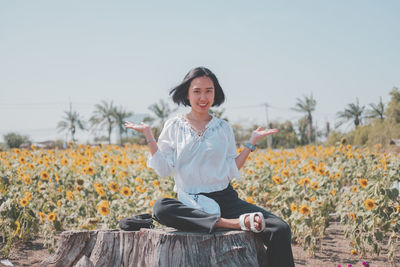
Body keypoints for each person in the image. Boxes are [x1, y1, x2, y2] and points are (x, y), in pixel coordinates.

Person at [125, 67, 295, 267]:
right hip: (191, 202)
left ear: (215, 93)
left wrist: (251, 143)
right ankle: (231, 224)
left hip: (227, 200)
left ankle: (227, 221)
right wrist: (149, 136)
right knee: (161, 207)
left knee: (280, 229)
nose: (203, 97)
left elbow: (231, 169)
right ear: (187, 94)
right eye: (197, 91)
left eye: (209, 90)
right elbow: (163, 170)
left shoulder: (223, 128)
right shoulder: (174, 126)